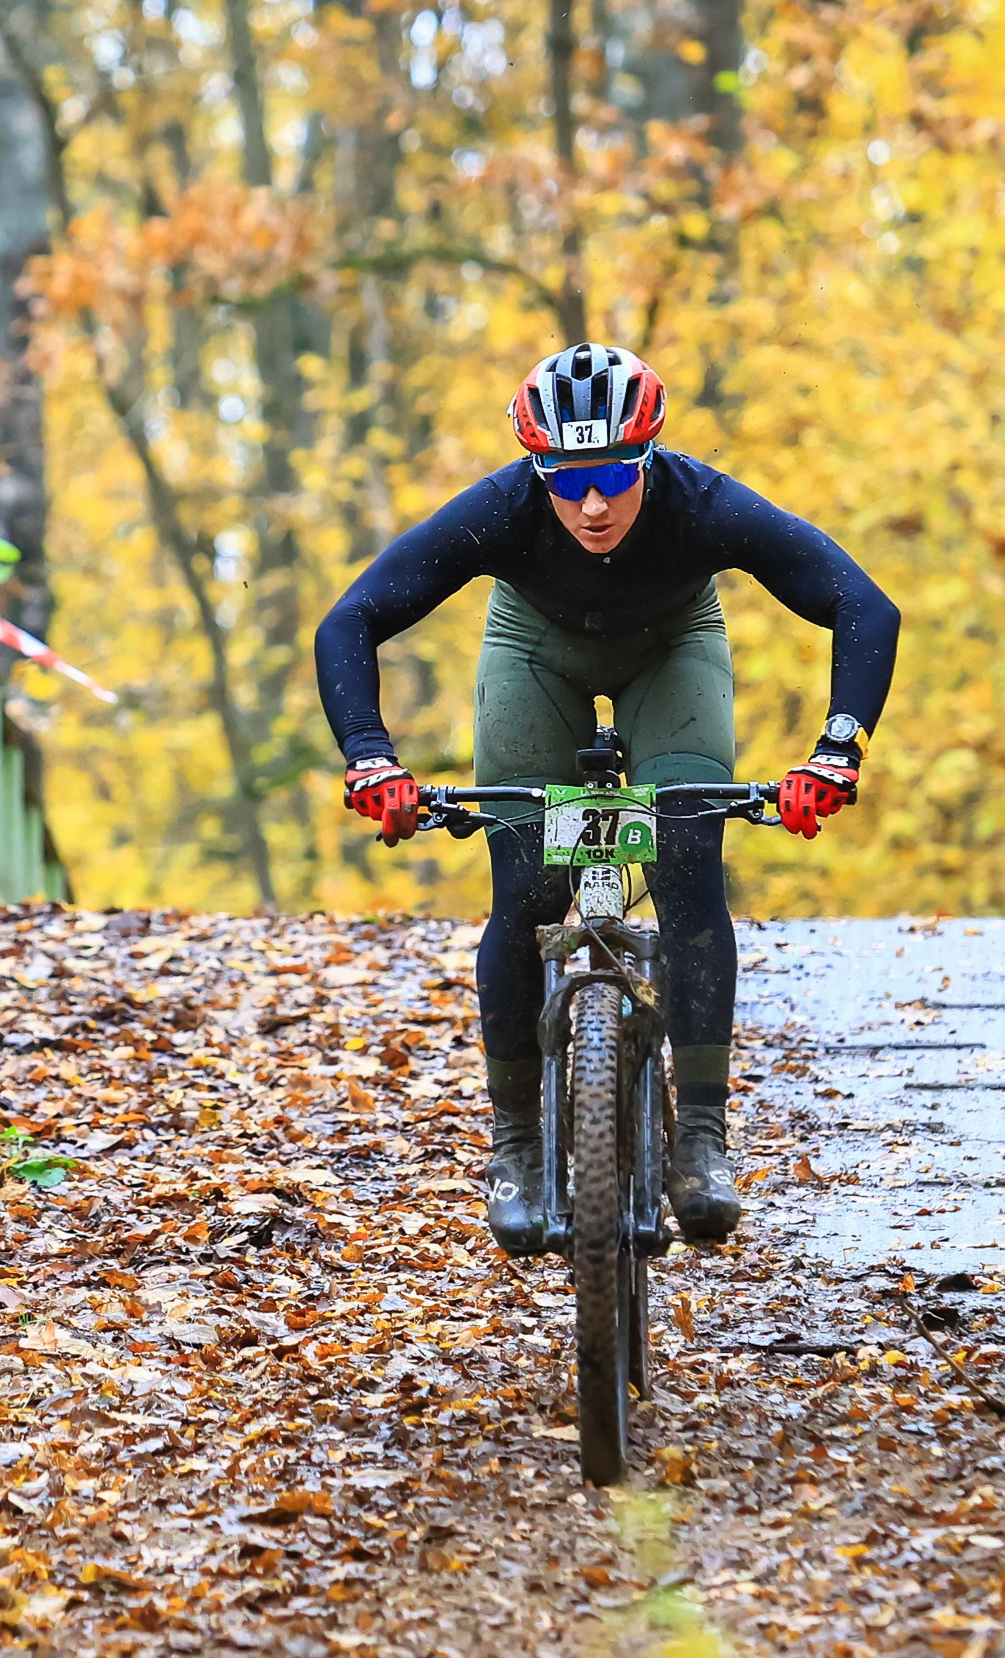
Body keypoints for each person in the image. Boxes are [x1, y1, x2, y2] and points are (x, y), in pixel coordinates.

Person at [313, 343, 899, 1252]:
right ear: (536, 467)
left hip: (673, 648)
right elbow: (350, 618)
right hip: (534, 652)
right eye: (567, 479)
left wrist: (835, 751)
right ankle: (516, 1143)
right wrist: (370, 757)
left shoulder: (701, 504)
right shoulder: (504, 510)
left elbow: (864, 604)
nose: (593, 505)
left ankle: (701, 1134)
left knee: (687, 855)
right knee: (527, 889)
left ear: (650, 458)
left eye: (617, 476)